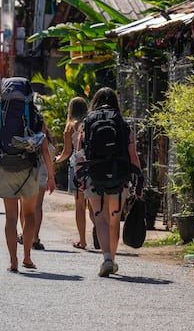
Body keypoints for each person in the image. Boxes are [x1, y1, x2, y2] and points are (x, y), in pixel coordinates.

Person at [0, 77, 56, 272]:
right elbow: (44, 147)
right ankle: (27, 257)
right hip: (29, 169)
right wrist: (50, 176)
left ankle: (12, 261)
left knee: (10, 218)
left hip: (5, 168)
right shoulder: (34, 115)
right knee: (29, 214)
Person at [78, 87, 142, 277]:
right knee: (115, 220)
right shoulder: (122, 123)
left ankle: (106, 258)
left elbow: (79, 153)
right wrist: (139, 179)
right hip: (119, 176)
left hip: (94, 175)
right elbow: (132, 155)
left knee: (100, 219)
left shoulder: (87, 122)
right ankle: (112, 260)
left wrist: (80, 178)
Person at [54, 96, 97, 250]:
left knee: (80, 206)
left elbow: (66, 152)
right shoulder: (90, 123)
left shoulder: (70, 126)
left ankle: (83, 241)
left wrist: (57, 159)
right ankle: (100, 232)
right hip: (92, 166)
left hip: (77, 168)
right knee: (94, 205)